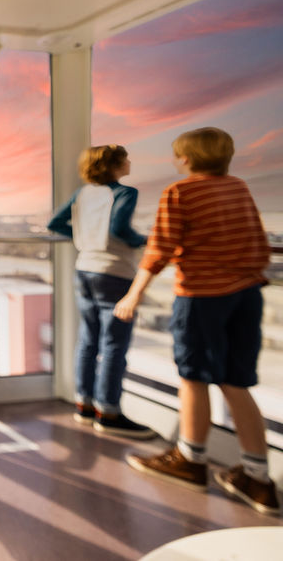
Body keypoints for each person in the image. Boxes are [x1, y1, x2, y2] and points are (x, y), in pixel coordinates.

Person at [114, 127, 278, 515]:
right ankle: (258, 479)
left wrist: (133, 293)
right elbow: (257, 243)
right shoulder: (238, 188)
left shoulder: (180, 192)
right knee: (237, 383)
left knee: (193, 378)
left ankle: (191, 460)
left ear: (185, 159)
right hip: (246, 296)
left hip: (203, 298)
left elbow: (160, 248)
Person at [47, 145, 154, 438]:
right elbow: (120, 228)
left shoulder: (82, 194)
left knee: (88, 340)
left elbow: (54, 223)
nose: (129, 161)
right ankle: (108, 412)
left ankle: (84, 405)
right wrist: (141, 240)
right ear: (114, 165)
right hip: (114, 273)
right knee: (113, 346)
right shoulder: (124, 193)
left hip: (84, 270)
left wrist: (84, 237)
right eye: (125, 158)